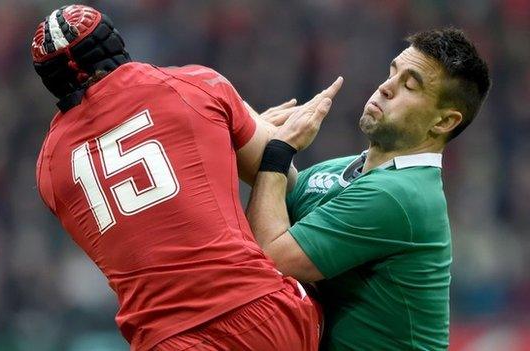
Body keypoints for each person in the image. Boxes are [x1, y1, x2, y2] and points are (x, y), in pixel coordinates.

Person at [31, 4, 337, 351]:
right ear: (114, 43)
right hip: (260, 313)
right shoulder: (192, 84)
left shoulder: (49, 166)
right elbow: (281, 178)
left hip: (164, 340)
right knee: (345, 300)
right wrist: (272, 141)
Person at [246, 28, 490, 350]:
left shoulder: (401, 195)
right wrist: (249, 128)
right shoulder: (347, 171)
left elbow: (269, 259)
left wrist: (277, 150)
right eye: (392, 73)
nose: (386, 88)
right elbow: (279, 193)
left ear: (443, 122)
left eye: (410, 85)